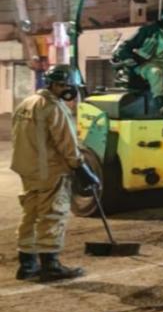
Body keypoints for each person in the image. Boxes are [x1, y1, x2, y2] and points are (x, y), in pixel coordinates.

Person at [12, 65, 100, 282]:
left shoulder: (26, 103)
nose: (70, 91)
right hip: (49, 170)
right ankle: (50, 266)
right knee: (53, 214)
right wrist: (81, 168)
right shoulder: (53, 108)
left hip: (28, 169)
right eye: (68, 86)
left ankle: (27, 264)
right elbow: (67, 144)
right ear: (61, 85)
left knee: (30, 215)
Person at [113, 6, 163, 113]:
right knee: (155, 73)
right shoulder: (148, 31)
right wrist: (128, 58)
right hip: (144, 64)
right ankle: (162, 104)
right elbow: (125, 47)